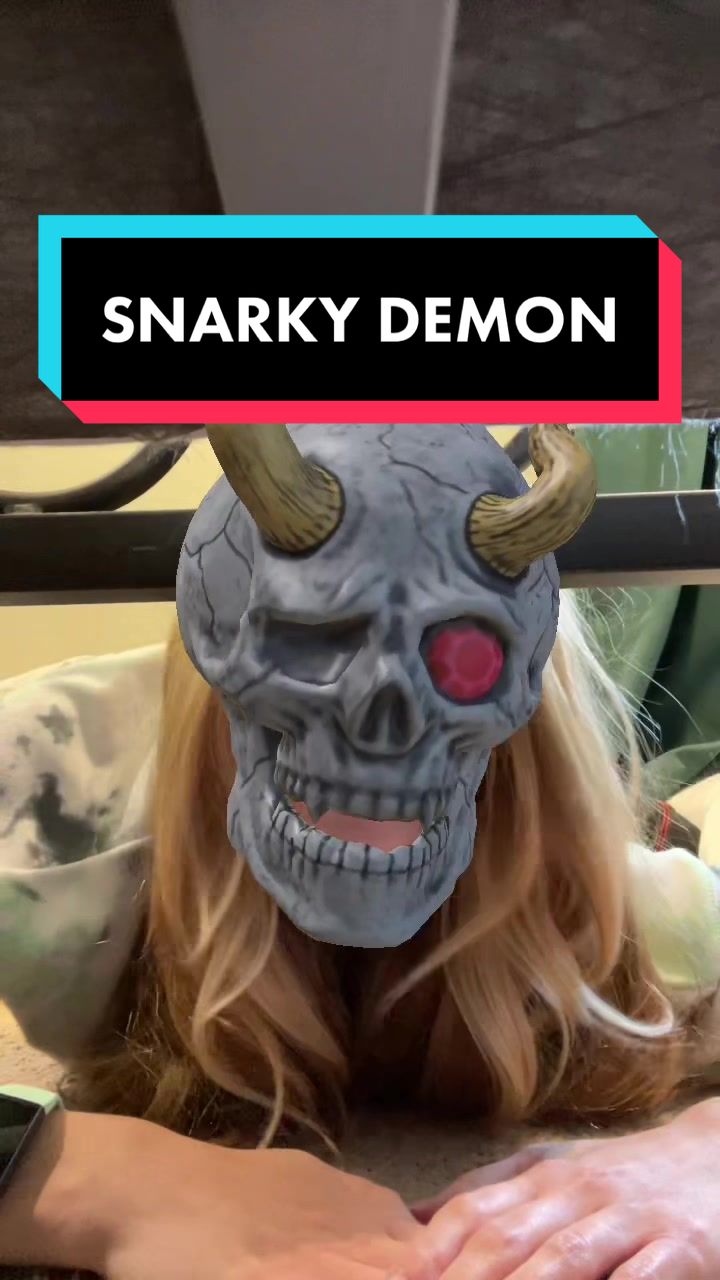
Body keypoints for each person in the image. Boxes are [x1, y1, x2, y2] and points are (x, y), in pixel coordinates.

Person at [1, 422, 720, 1280]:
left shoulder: (614, 916)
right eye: (317, 639)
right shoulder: (43, 819)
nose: (385, 717)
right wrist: (88, 1180)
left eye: (461, 660)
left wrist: (704, 1158)